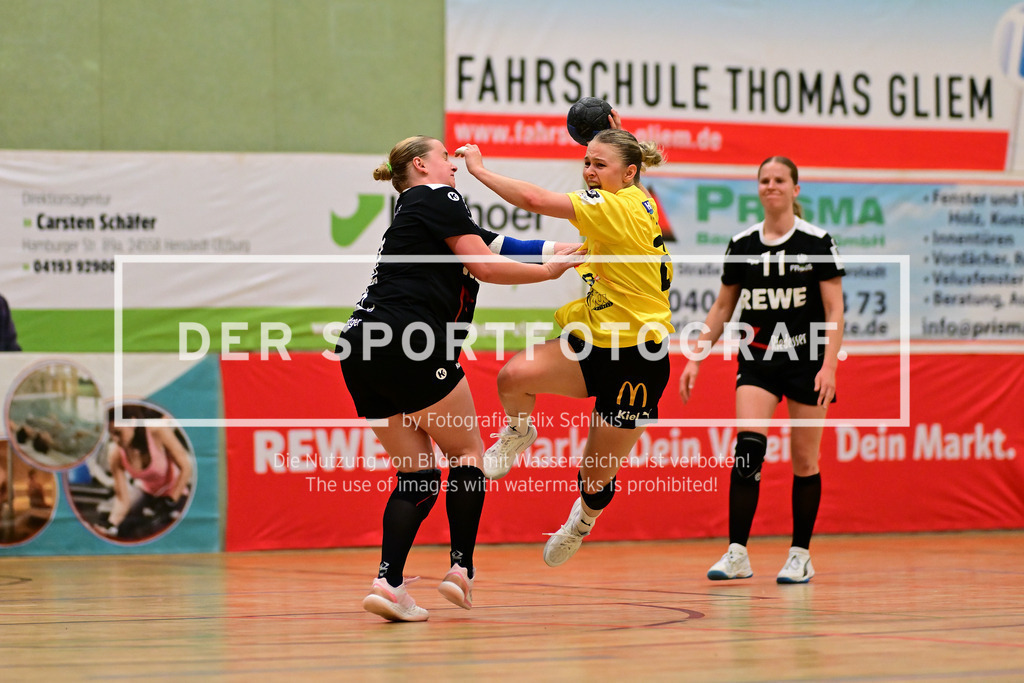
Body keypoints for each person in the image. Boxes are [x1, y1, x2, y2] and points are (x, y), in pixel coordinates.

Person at [338, 135, 582, 622]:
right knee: (469, 456)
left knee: (418, 474)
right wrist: (552, 271)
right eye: (447, 157)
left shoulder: (424, 214)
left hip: (359, 348)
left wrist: (571, 247)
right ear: (422, 164)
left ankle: (387, 584)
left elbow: (498, 244)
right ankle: (461, 570)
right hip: (409, 342)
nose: (455, 164)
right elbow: (486, 266)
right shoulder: (437, 196)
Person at [457, 113, 674, 568]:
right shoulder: (632, 198)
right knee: (514, 377)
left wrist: (479, 170)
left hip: (637, 359)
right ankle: (519, 432)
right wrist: (615, 132)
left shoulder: (618, 208)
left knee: (594, 477)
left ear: (629, 173)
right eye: (587, 162)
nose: (590, 172)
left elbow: (535, 199)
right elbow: (556, 246)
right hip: (592, 342)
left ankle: (582, 521)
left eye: (600, 165)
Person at [679, 156, 844, 584]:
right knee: (747, 452)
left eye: (780, 180)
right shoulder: (743, 244)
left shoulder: (817, 241)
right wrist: (696, 357)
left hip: (807, 363)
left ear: (795, 189)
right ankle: (737, 553)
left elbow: (834, 309)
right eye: (764, 180)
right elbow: (722, 306)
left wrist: (830, 365)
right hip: (758, 361)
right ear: (758, 189)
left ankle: (800, 554)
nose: (771, 186)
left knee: (806, 461)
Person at [98, 404, 194, 540]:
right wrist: (111, 523)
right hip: (145, 492)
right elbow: (122, 499)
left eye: (118, 433)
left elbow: (186, 467)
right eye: (111, 434)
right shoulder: (115, 454)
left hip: (174, 492)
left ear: (132, 422)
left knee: (159, 529)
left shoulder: (158, 431)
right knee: (124, 530)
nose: (115, 439)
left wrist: (171, 500)